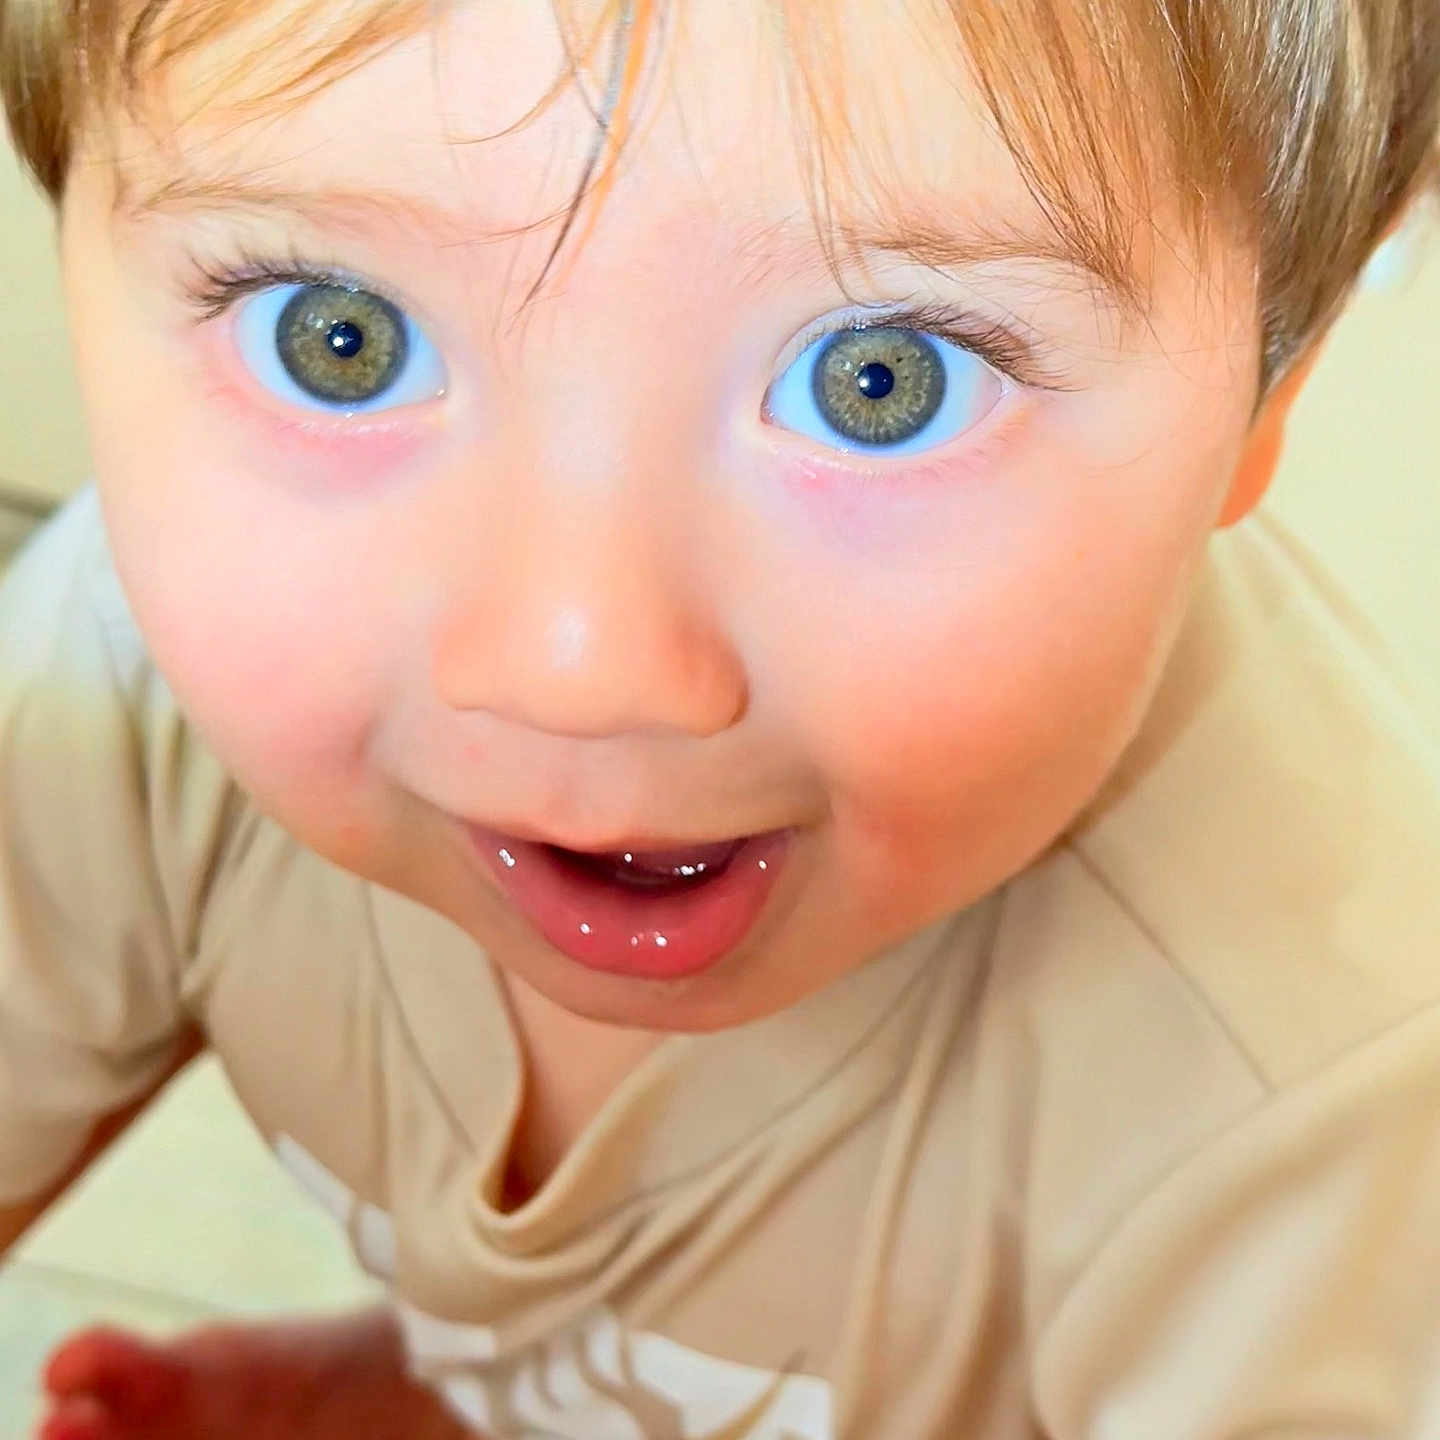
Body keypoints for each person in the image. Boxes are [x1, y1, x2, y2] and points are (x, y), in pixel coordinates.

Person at [1, 0, 1438, 1435]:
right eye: (341, 338)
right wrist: (413, 1395)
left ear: (1273, 382)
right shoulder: (119, 693)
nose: (580, 666)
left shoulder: (1321, 1120)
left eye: (883, 381)